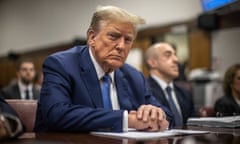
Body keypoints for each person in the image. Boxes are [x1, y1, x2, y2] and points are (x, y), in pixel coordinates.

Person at [34, 5, 172, 133]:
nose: (121, 46)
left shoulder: (134, 76)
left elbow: (167, 115)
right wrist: (126, 120)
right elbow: (56, 114)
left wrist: (156, 114)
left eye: (128, 40)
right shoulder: (61, 65)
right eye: (113, 36)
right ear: (92, 37)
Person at [144, 42, 195, 127]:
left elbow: (194, 125)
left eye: (175, 55)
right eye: (168, 55)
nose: (176, 60)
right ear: (152, 62)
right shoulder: (143, 90)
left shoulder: (185, 93)